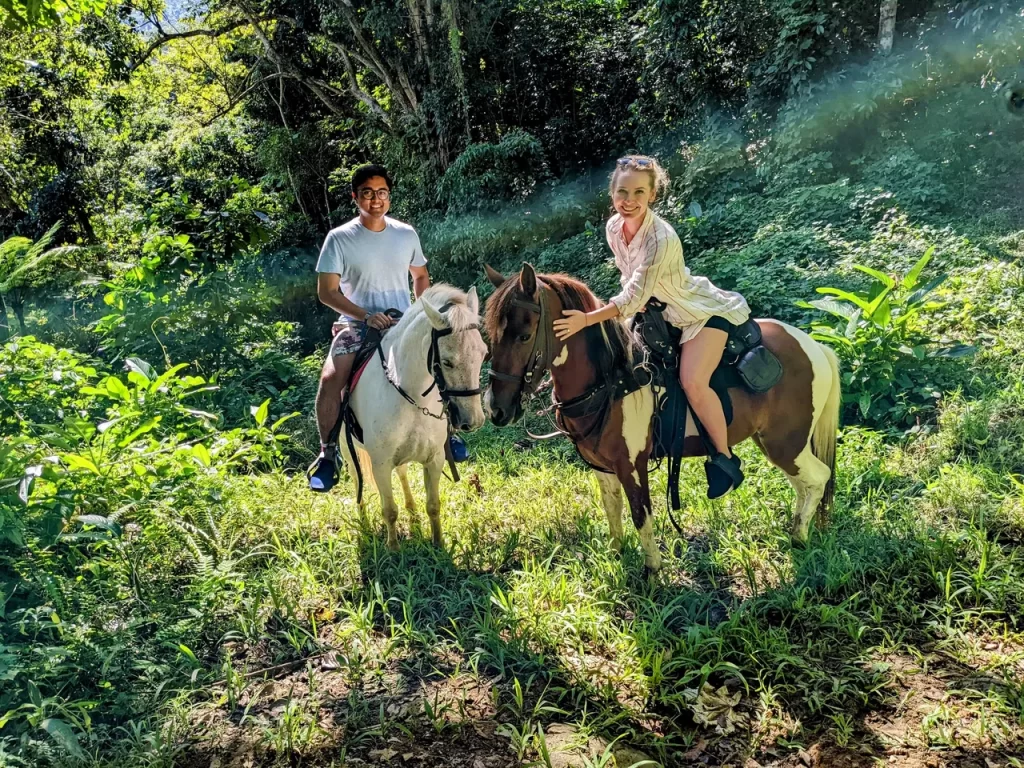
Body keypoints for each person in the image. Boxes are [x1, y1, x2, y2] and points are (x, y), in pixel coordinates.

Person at [552, 155, 749, 498]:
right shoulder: (614, 227)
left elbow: (633, 293)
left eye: (638, 192)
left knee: (693, 381)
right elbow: (628, 279)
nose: (629, 201)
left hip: (696, 313)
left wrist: (587, 318)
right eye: (622, 192)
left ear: (652, 195)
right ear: (612, 194)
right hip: (653, 312)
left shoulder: (661, 237)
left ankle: (724, 457)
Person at [308, 163, 468, 493]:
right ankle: (328, 454)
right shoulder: (339, 239)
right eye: (367, 193)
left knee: (441, 363)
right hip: (356, 324)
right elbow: (327, 292)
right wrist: (365, 315)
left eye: (381, 193)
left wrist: (419, 312)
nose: (375, 199)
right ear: (356, 197)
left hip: (402, 321)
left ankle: (449, 434)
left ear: (389, 197)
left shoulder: (405, 234)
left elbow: (421, 276)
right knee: (329, 379)